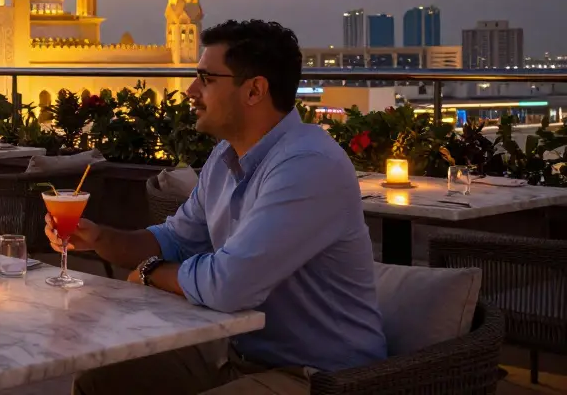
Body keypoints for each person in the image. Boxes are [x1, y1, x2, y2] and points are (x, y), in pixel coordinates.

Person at [51, 20, 385, 394]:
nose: (191, 91)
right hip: (237, 357)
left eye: (206, 79)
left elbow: (229, 285)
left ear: (255, 90)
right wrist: (99, 238)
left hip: (317, 376)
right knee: (100, 381)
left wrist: (151, 272)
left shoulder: (307, 165)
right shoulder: (226, 157)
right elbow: (175, 239)